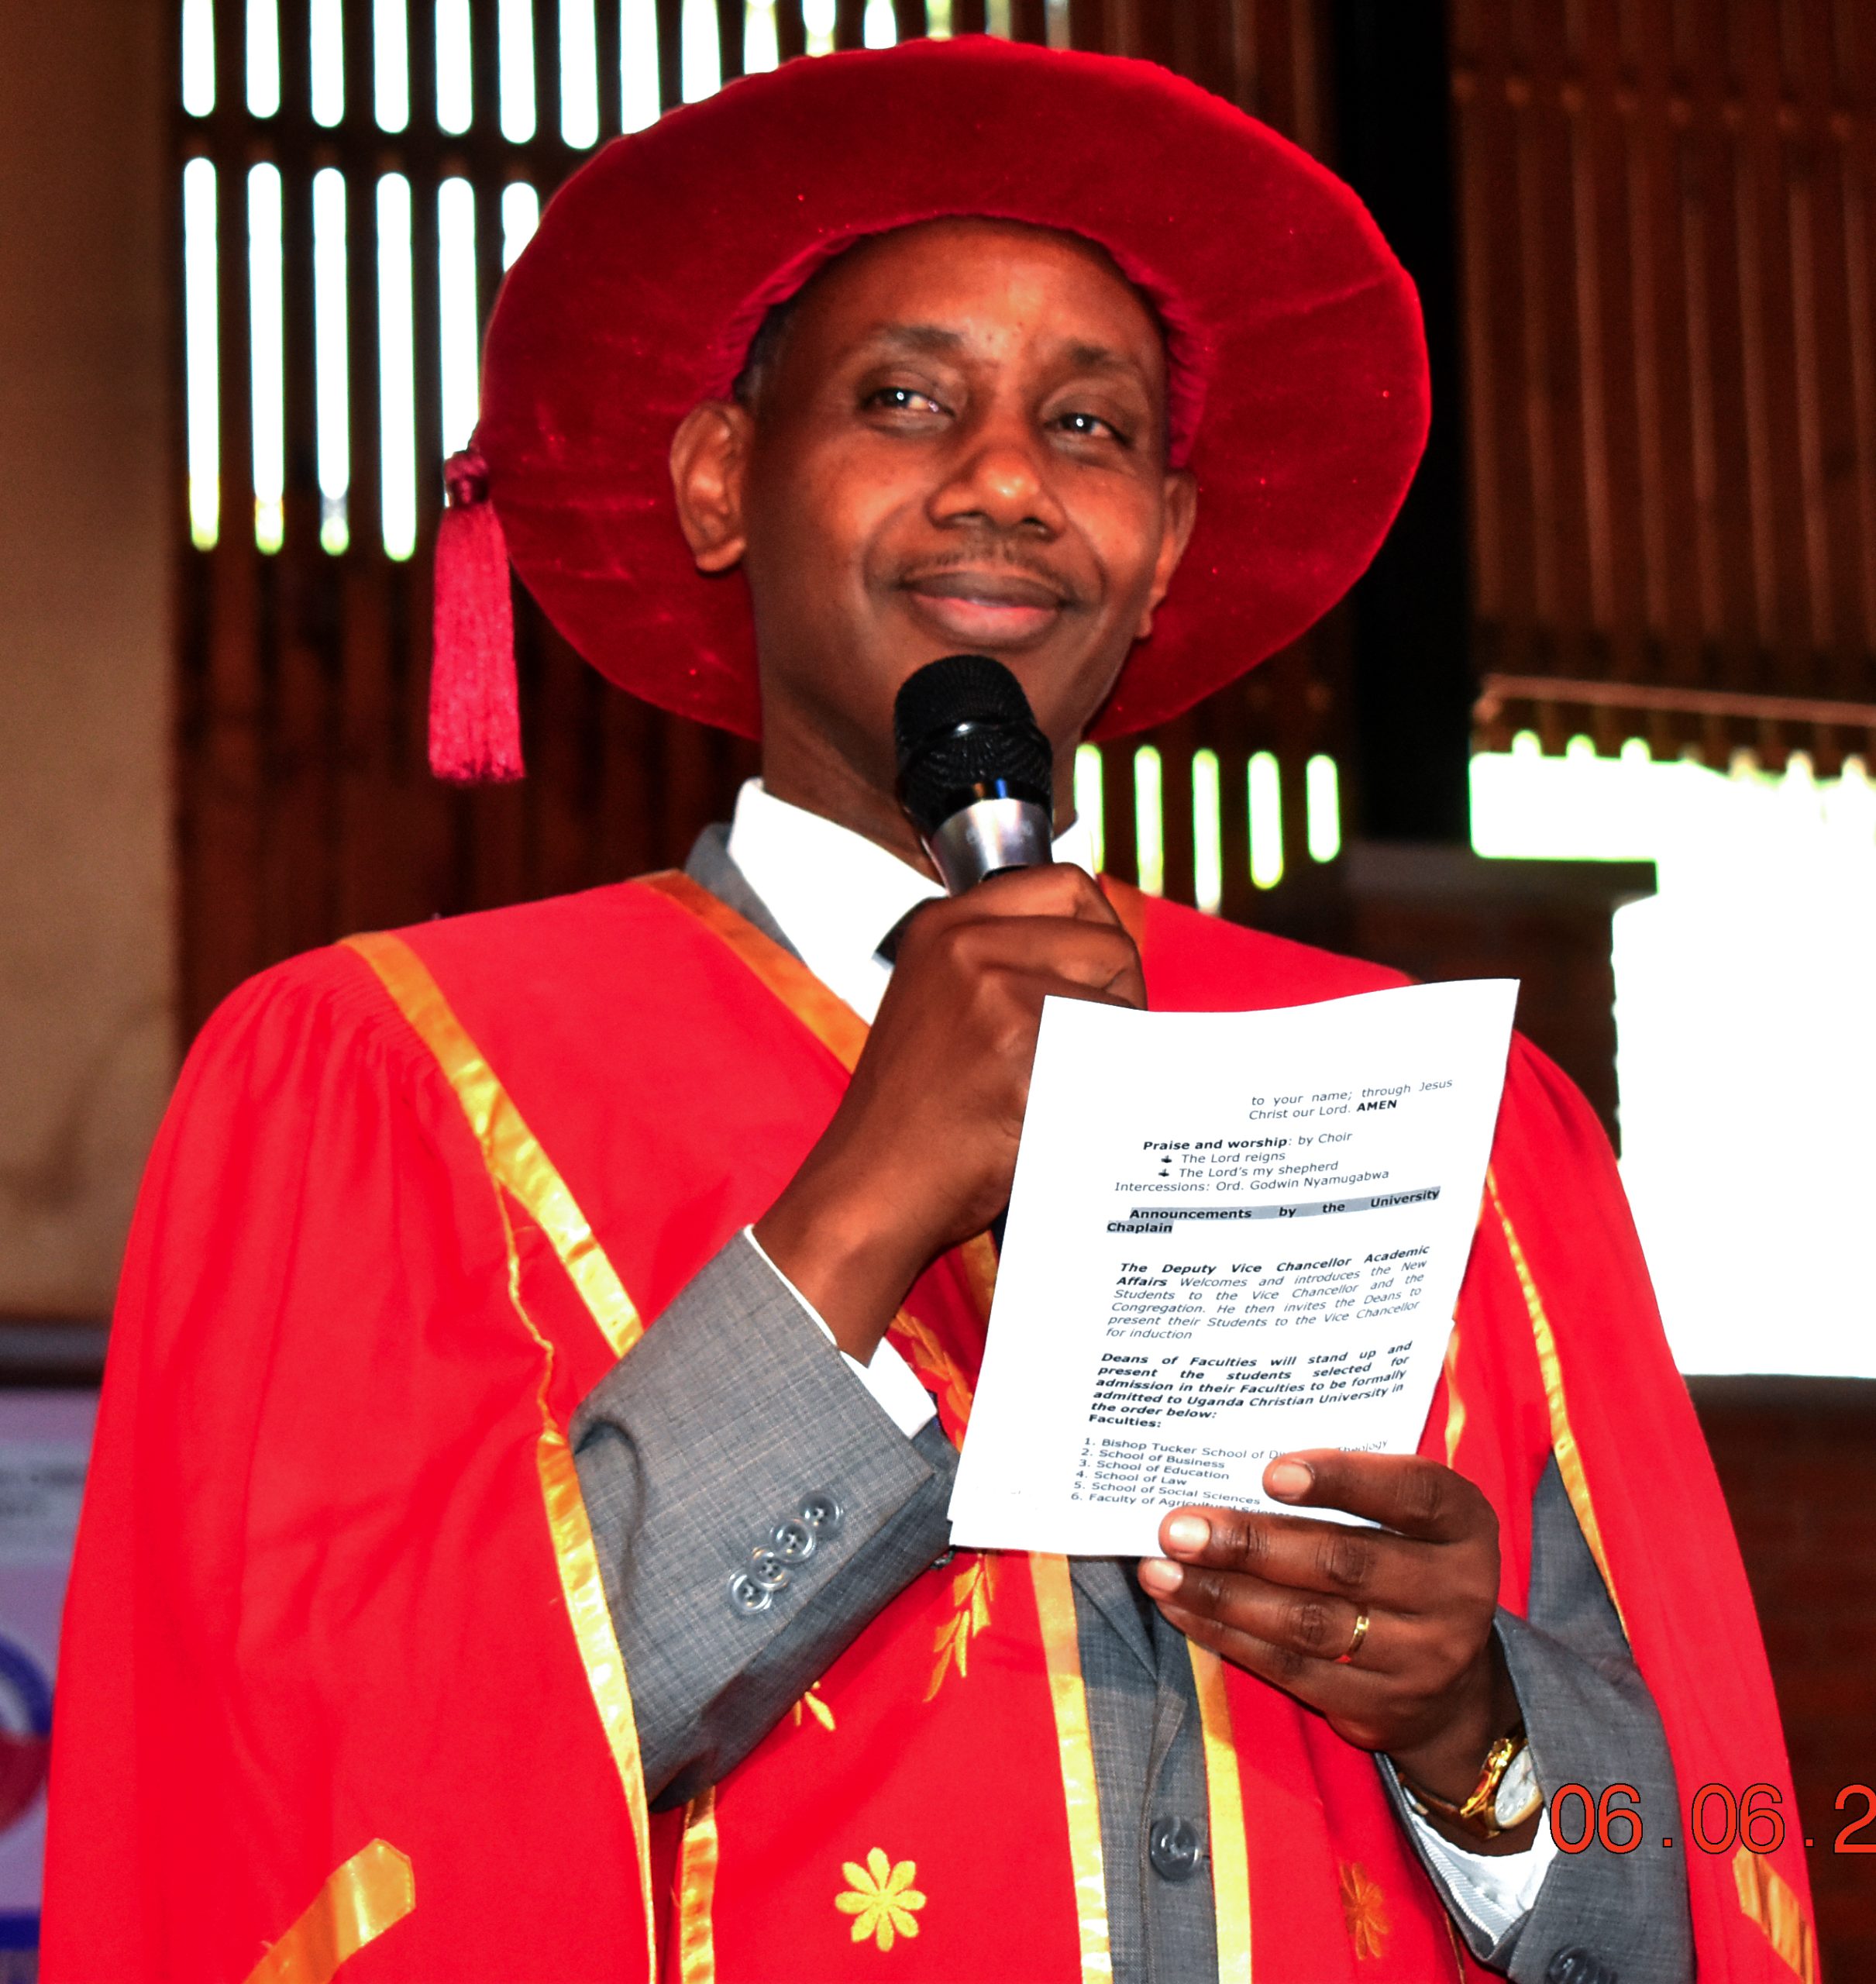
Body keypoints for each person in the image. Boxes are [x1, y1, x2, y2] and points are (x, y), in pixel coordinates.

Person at [46, 38, 1813, 1984]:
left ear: (1167, 544)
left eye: (1089, 425)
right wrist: (864, 1202)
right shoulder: (394, 1077)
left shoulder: (1440, 1114)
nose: (1006, 484)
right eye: (904, 398)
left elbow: (1707, 1852)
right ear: (721, 479)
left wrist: (1475, 1741)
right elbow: (330, 1808)